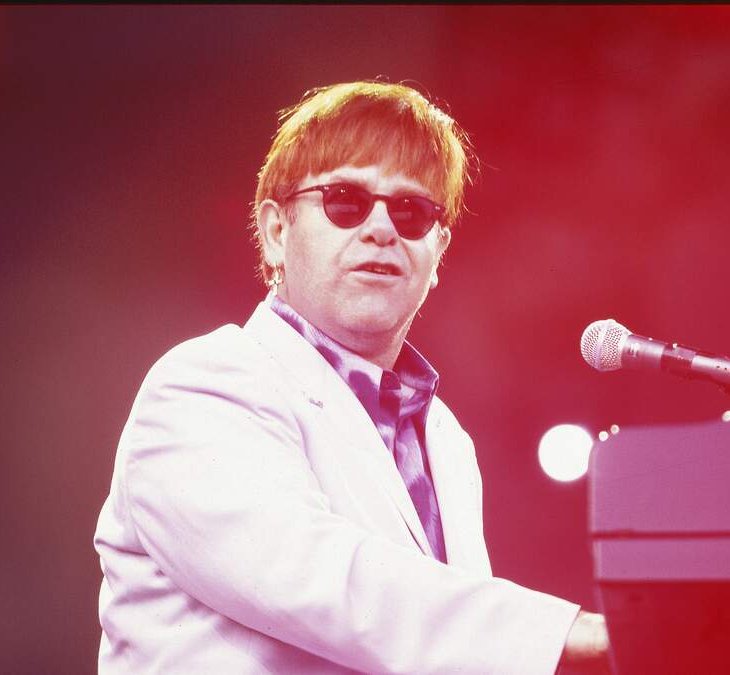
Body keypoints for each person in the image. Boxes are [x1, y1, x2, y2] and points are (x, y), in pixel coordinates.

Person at [93, 81, 610, 674]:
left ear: (438, 252)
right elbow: (321, 581)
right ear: (275, 232)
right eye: (345, 200)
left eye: (412, 212)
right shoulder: (201, 387)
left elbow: (451, 651)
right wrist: (578, 634)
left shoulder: (446, 440)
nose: (382, 228)